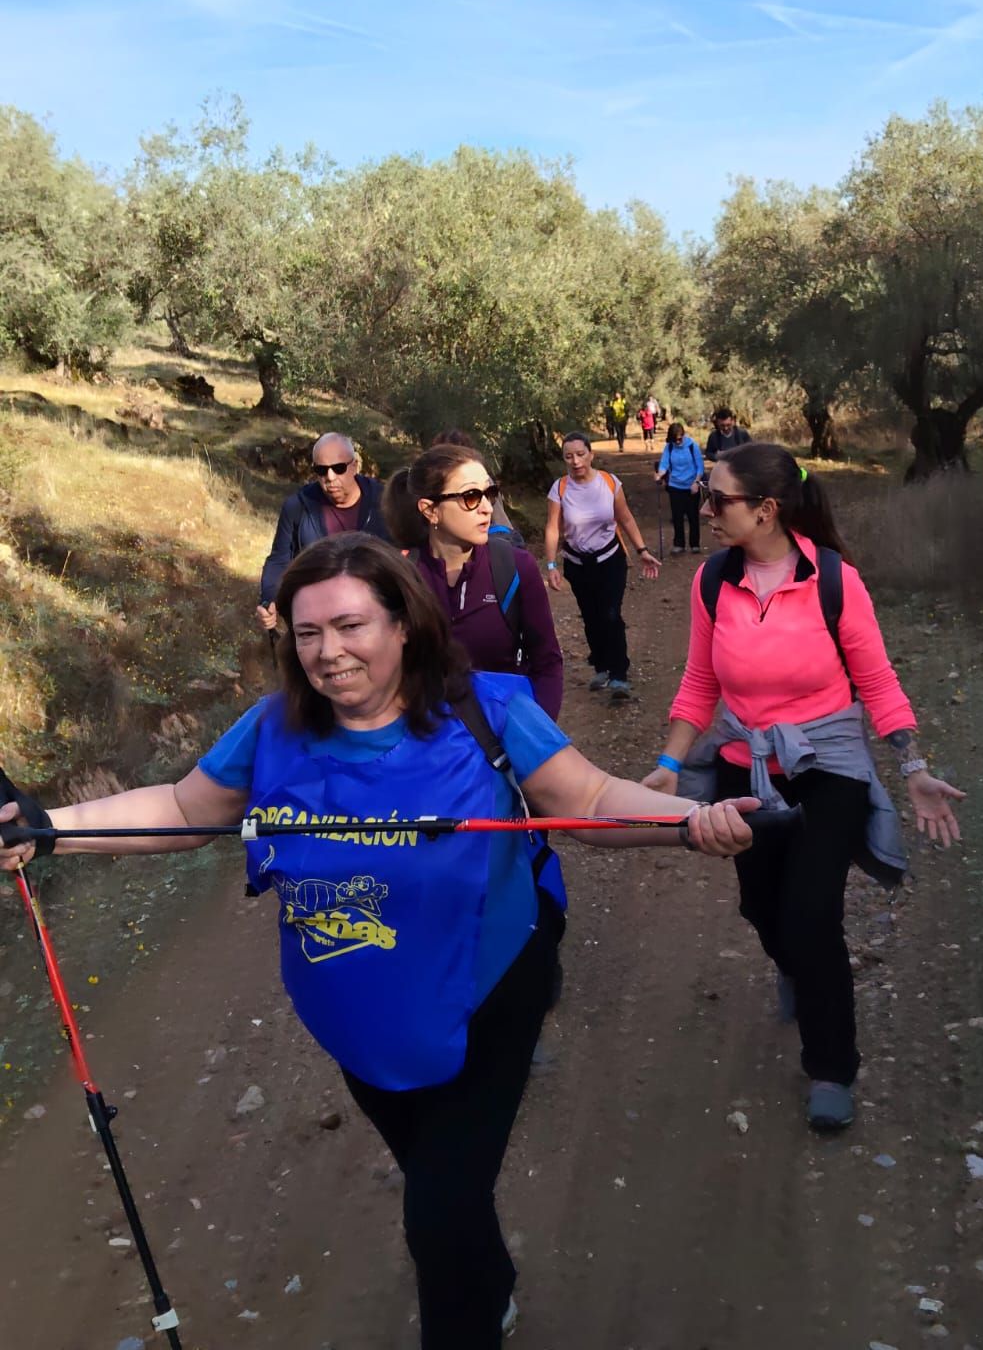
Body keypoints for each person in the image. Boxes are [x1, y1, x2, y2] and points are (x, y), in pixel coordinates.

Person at [1, 534, 756, 1350]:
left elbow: (592, 797)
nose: (330, 653)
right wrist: (48, 831)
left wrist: (690, 823)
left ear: (403, 625)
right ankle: (490, 1275)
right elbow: (186, 812)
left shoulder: (487, 711)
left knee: (435, 1212)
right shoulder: (273, 731)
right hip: (354, 1015)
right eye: (308, 633)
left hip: (486, 989)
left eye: (352, 626)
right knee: (441, 1183)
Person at [642, 443, 965, 1131]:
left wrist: (912, 768)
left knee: (812, 915)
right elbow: (700, 682)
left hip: (828, 767)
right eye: (705, 494)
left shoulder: (833, 582)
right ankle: (792, 966)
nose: (705, 508)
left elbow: (877, 682)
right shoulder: (712, 582)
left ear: (767, 510)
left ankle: (831, 1066)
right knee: (762, 908)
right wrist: (670, 764)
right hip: (742, 766)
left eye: (718, 499)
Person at [382, 443, 564, 720]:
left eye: (489, 494)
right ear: (430, 510)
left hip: (506, 735)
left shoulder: (515, 566)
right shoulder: (400, 578)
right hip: (431, 745)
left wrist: (536, 737)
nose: (486, 508)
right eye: (470, 496)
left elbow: (547, 662)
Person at [543, 432, 661, 701]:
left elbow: (626, 518)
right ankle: (601, 665)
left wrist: (642, 550)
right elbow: (552, 528)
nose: (575, 461)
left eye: (580, 454)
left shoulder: (609, 482)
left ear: (591, 454)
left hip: (610, 559)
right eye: (568, 456)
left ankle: (619, 673)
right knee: (591, 617)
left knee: (610, 614)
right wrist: (551, 565)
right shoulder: (559, 488)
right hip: (577, 563)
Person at [256, 432, 388, 632]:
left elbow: (409, 552)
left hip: (377, 618)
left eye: (339, 468)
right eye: (321, 470)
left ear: (354, 467)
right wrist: (269, 599)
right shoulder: (297, 506)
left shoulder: (384, 502)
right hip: (319, 619)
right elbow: (279, 559)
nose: (330, 477)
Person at [655, 421, 706, 554]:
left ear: (683, 435)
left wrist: (696, 482)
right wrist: (659, 475)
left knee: (693, 516)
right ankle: (679, 544)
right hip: (675, 485)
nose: (677, 442)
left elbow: (700, 466)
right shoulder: (669, 447)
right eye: (674, 440)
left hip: (691, 485)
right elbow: (664, 464)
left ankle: (695, 544)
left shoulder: (692, 446)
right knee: (677, 516)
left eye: (679, 439)